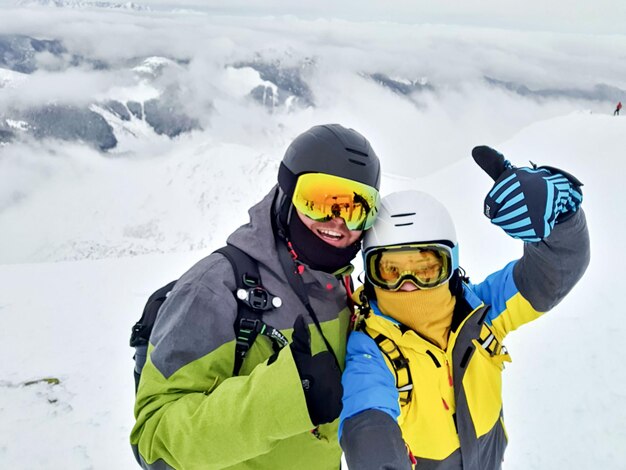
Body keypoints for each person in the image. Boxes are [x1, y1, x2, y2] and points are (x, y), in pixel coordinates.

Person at [130, 124, 381, 469]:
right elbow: (153, 439)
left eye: (356, 208)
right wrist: (283, 397)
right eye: (321, 201)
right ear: (288, 191)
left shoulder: (344, 289)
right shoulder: (214, 287)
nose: (337, 222)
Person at [339, 146, 590, 470]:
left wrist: (562, 216)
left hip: (486, 457)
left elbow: (554, 272)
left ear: (452, 265)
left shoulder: (483, 312)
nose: (409, 284)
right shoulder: (370, 350)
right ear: (370, 273)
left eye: (427, 267)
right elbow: (367, 420)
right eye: (390, 270)